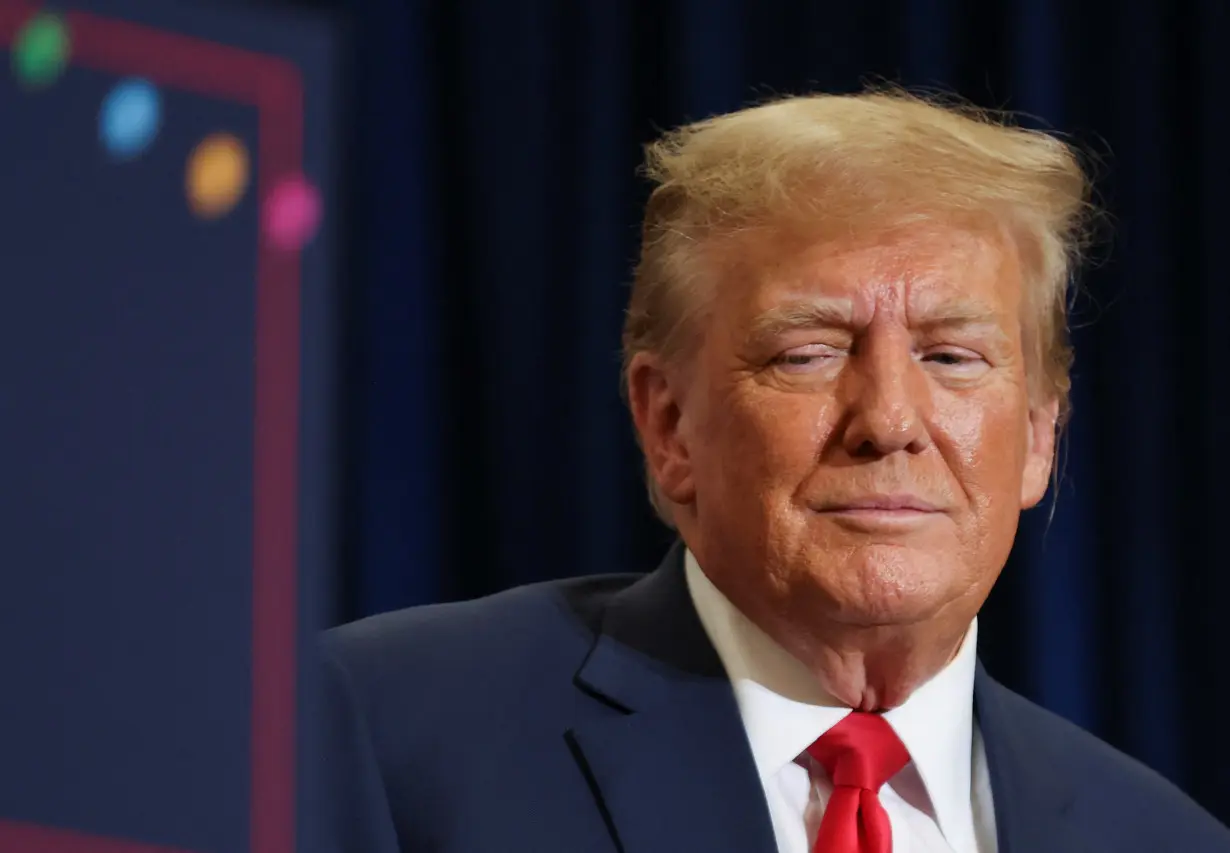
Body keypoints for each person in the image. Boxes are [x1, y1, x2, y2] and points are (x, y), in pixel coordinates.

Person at [321, 89, 1230, 853]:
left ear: (1040, 435)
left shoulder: (1163, 837)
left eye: (953, 356)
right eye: (807, 353)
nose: (889, 421)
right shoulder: (381, 728)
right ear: (669, 424)